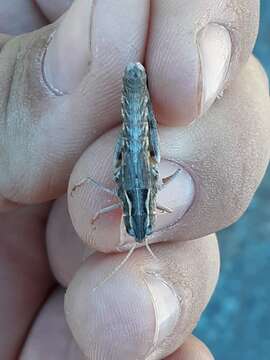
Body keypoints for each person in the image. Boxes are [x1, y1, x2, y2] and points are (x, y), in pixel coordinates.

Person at [0, 1, 269, 359]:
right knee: (147, 140)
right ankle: (137, 80)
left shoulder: (129, 210)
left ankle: (137, 80)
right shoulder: (131, 209)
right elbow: (121, 186)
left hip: (134, 150)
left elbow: (111, 190)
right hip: (137, 142)